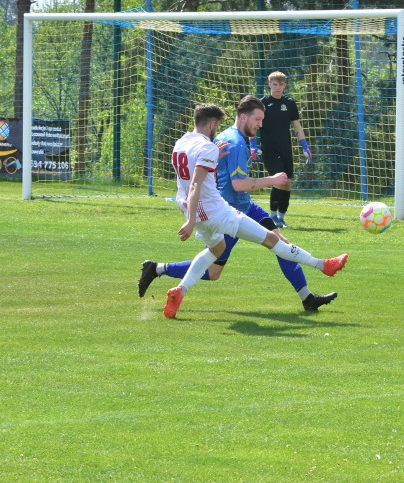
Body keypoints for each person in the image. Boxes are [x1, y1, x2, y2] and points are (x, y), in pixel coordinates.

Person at [138, 95, 339, 312]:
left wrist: (215, 159)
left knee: (260, 243)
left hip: (221, 207)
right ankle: (323, 265)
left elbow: (198, 172)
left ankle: (307, 295)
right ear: (220, 122)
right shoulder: (231, 142)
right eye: (258, 119)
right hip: (225, 208)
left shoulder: (183, 143)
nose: (260, 125)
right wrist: (272, 180)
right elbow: (231, 184)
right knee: (224, 265)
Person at [254, 71, 311, 228]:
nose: (278, 87)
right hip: (269, 150)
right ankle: (271, 217)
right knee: (280, 180)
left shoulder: (290, 103)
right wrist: (252, 145)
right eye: (275, 84)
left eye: (281, 84)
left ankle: (281, 217)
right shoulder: (262, 103)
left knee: (287, 183)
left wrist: (304, 145)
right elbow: (252, 125)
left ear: (285, 85)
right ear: (269, 84)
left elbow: (297, 126)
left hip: (286, 148)